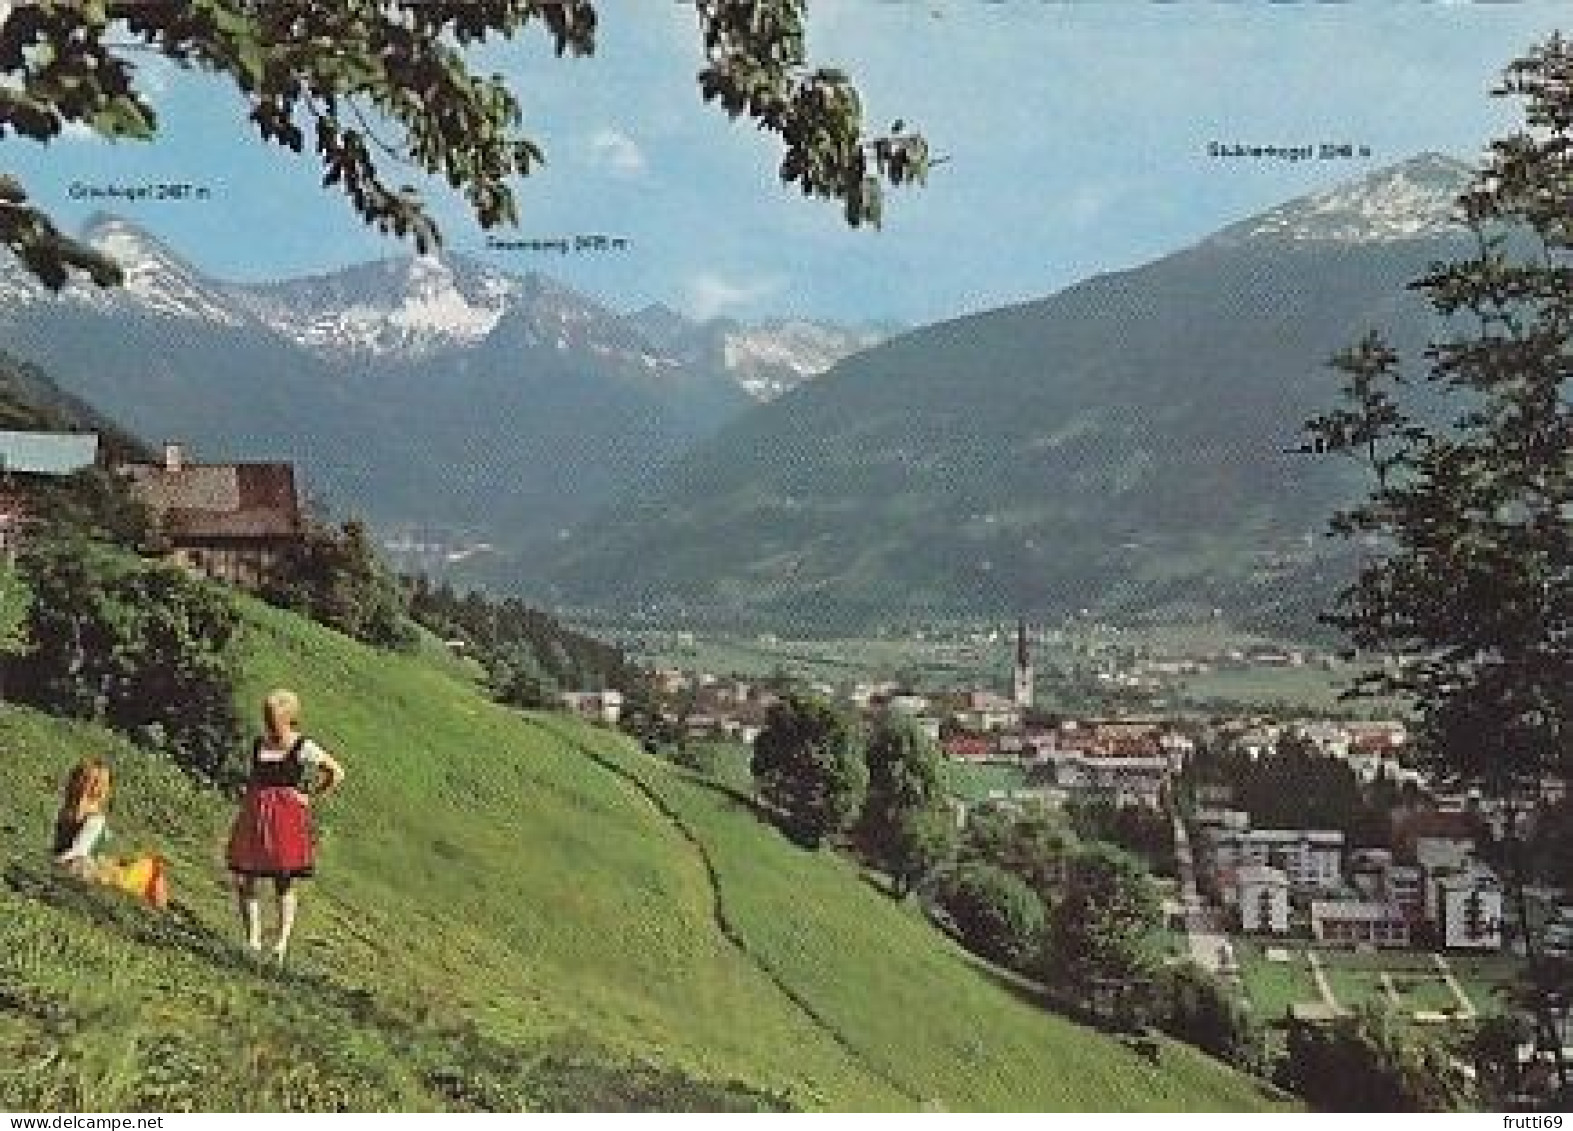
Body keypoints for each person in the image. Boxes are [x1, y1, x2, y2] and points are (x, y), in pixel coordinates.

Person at [226, 689, 345, 963]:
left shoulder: (303, 746)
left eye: (274, 720)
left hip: (285, 818)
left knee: (283, 879)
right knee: (247, 875)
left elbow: (336, 772)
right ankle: (252, 941)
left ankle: (281, 943)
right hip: (256, 815)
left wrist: (310, 796)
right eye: (268, 719)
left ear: (289, 719)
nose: (270, 725)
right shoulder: (259, 744)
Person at [54, 757, 112, 877]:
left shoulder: (95, 819)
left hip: (86, 869)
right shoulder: (67, 810)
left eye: (95, 782)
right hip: (67, 861)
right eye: (85, 778)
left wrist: (54, 862)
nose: (87, 784)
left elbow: (79, 851)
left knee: (77, 866)